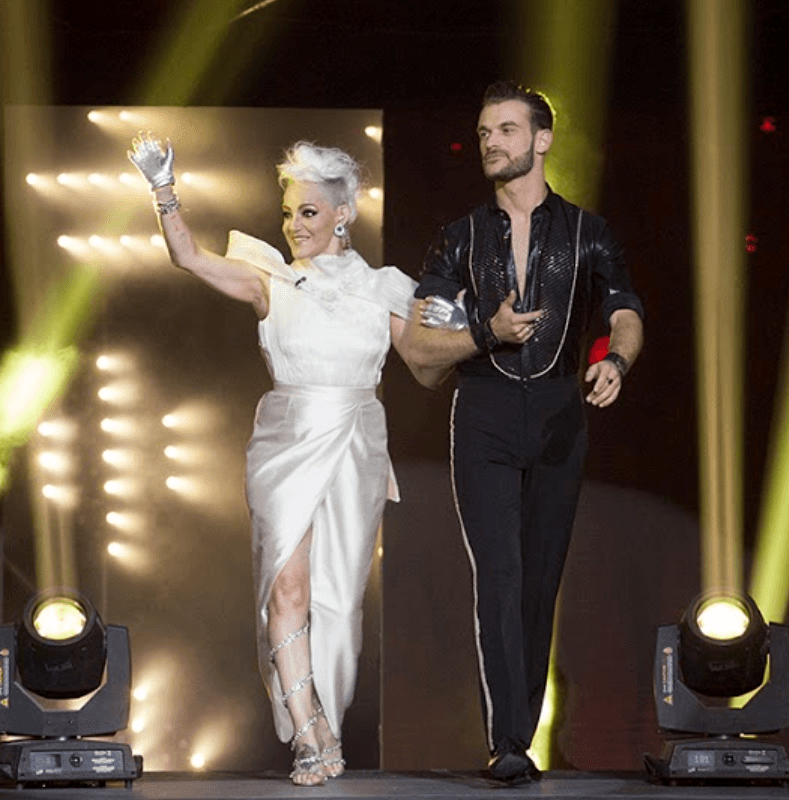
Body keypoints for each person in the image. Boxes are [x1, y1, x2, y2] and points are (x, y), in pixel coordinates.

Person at [129, 135, 423, 785]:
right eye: (289, 213)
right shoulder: (271, 279)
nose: (294, 225)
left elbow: (431, 353)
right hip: (286, 442)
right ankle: (309, 733)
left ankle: (327, 716)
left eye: (309, 213)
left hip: (352, 440)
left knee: (337, 602)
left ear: (343, 214)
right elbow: (187, 256)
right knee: (285, 589)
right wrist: (162, 188)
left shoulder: (380, 289)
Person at [403, 81, 645, 784]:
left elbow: (626, 309)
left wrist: (618, 360)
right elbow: (420, 356)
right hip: (482, 415)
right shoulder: (457, 238)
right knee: (500, 579)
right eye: (483, 132)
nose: (491, 142)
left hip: (561, 416)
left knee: (540, 584)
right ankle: (508, 742)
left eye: (505, 130)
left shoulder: (588, 231)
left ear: (541, 140)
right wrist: (487, 332)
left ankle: (519, 731)